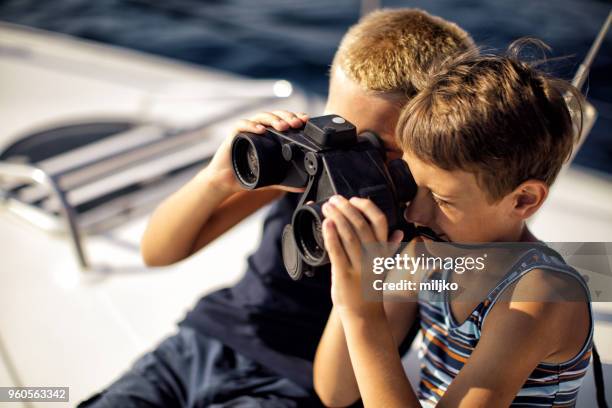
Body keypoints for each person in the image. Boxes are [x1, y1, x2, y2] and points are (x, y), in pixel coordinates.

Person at [78, 9, 475, 407]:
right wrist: (216, 181)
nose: (344, 159)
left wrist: (365, 271)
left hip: (293, 382)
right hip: (208, 338)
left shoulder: (423, 233)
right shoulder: (309, 167)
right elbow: (158, 252)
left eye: (380, 150)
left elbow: (337, 391)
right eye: (340, 134)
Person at [314, 42, 593, 407]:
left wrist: (362, 313)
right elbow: (336, 391)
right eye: (414, 185)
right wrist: (358, 283)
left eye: (443, 200)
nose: (415, 213)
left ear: (523, 200)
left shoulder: (541, 296)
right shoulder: (427, 257)